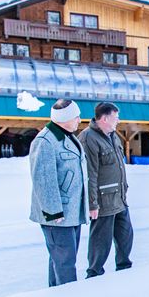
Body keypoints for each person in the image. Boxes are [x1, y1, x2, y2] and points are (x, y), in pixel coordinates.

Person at [29, 99, 89, 287]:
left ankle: (56, 295)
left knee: (61, 260)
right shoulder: (45, 141)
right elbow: (43, 180)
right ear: (65, 118)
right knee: (65, 263)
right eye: (76, 117)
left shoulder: (67, 137)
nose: (80, 120)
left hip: (71, 213)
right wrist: (53, 211)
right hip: (58, 216)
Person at [79, 102, 133, 278]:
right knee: (100, 242)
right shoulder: (89, 138)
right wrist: (92, 204)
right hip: (103, 202)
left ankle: (124, 270)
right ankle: (94, 274)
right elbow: (90, 174)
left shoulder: (112, 136)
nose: (118, 120)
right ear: (104, 118)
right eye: (115, 117)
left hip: (120, 199)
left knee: (125, 236)